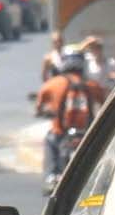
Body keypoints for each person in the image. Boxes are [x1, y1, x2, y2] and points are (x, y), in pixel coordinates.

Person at [36, 50, 102, 183]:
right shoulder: (92, 85)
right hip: (88, 133)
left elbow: (39, 106)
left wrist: (42, 111)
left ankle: (52, 175)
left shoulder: (53, 83)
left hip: (61, 132)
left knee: (50, 139)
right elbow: (105, 101)